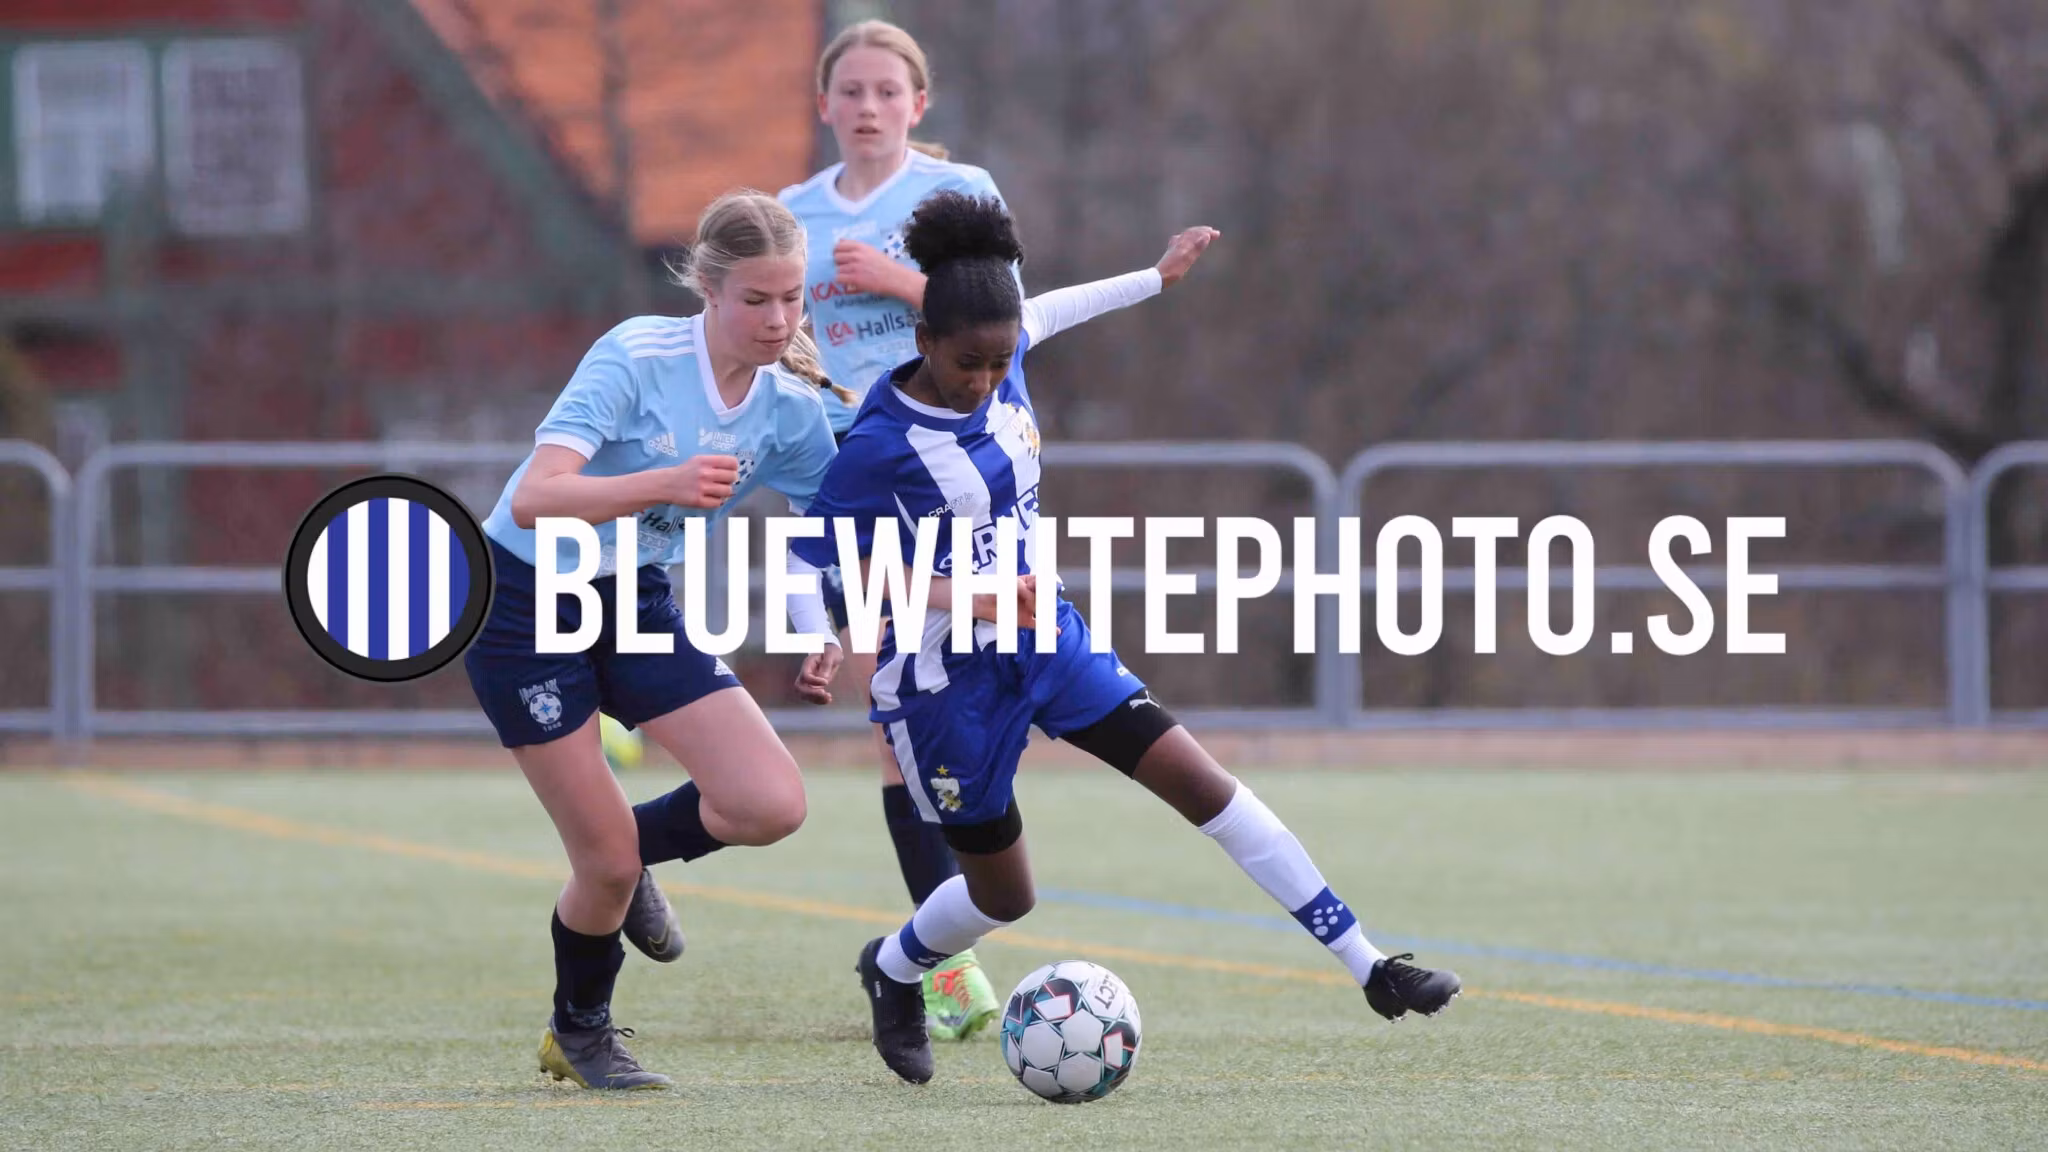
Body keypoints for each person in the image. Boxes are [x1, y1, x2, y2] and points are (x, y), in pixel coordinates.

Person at [790, 190, 1462, 1085]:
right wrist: (825, 633)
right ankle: (895, 966)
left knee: (1203, 785)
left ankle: (1370, 964)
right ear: (923, 342)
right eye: (966, 363)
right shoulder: (880, 446)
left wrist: (1156, 275)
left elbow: (1056, 308)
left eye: (999, 361)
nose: (985, 380)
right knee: (1007, 896)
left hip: (1049, 644)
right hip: (944, 687)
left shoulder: (1008, 352)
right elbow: (810, 562)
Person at [463, 190, 849, 1090]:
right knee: (602, 865)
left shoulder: (789, 406)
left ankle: (623, 853)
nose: (778, 319)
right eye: (756, 299)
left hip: (633, 596)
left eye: (792, 298)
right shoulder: (636, 355)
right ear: (708, 290)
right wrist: (663, 483)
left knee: (769, 802)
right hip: (523, 598)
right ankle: (578, 1033)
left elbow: (829, 526)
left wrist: (820, 620)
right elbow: (536, 496)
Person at [776, 17, 1016, 1042]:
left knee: (968, 716)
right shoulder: (792, 212)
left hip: (959, 483)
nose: (867, 107)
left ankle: (934, 940)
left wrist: (899, 283)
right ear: (823, 104)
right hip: (860, 483)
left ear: (919, 104)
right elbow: (771, 332)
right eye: (851, 90)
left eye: (886, 91)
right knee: (896, 731)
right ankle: (945, 968)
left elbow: (1005, 324)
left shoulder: (961, 196)